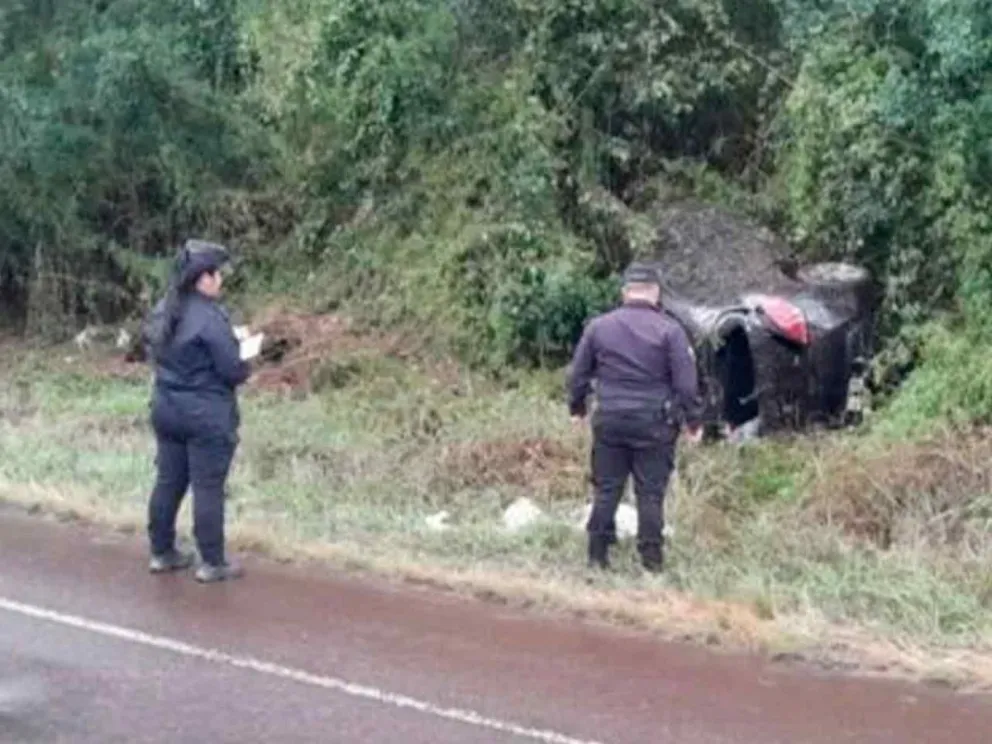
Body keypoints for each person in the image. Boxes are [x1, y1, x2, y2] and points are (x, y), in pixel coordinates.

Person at [567, 262, 702, 572]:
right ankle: (651, 561)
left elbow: (577, 375)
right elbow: (686, 384)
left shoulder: (598, 327)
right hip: (655, 423)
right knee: (650, 493)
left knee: (607, 488)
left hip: (610, 418)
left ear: (625, 292)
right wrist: (693, 422)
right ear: (656, 293)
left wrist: (577, 408)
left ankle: (597, 556)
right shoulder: (671, 330)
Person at [143, 239, 251, 583]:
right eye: (218, 274)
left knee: (168, 481)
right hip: (205, 414)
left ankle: (161, 552)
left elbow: (152, 349)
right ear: (204, 278)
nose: (221, 280)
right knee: (208, 486)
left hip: (166, 407)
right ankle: (212, 562)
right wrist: (246, 352)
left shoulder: (164, 308)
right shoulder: (210, 317)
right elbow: (233, 370)